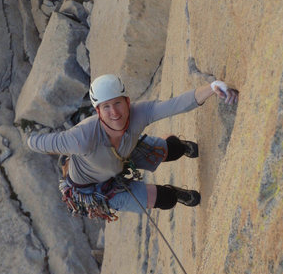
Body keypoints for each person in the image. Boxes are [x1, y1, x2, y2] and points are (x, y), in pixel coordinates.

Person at [26, 74, 238, 219]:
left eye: (118, 103)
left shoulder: (139, 113)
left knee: (172, 150)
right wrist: (29, 139)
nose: (114, 112)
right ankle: (174, 192)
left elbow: (174, 105)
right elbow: (40, 143)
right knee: (165, 199)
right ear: (98, 112)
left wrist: (212, 88)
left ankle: (179, 145)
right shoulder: (80, 138)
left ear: (127, 101)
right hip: (95, 189)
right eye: (106, 107)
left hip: (125, 153)